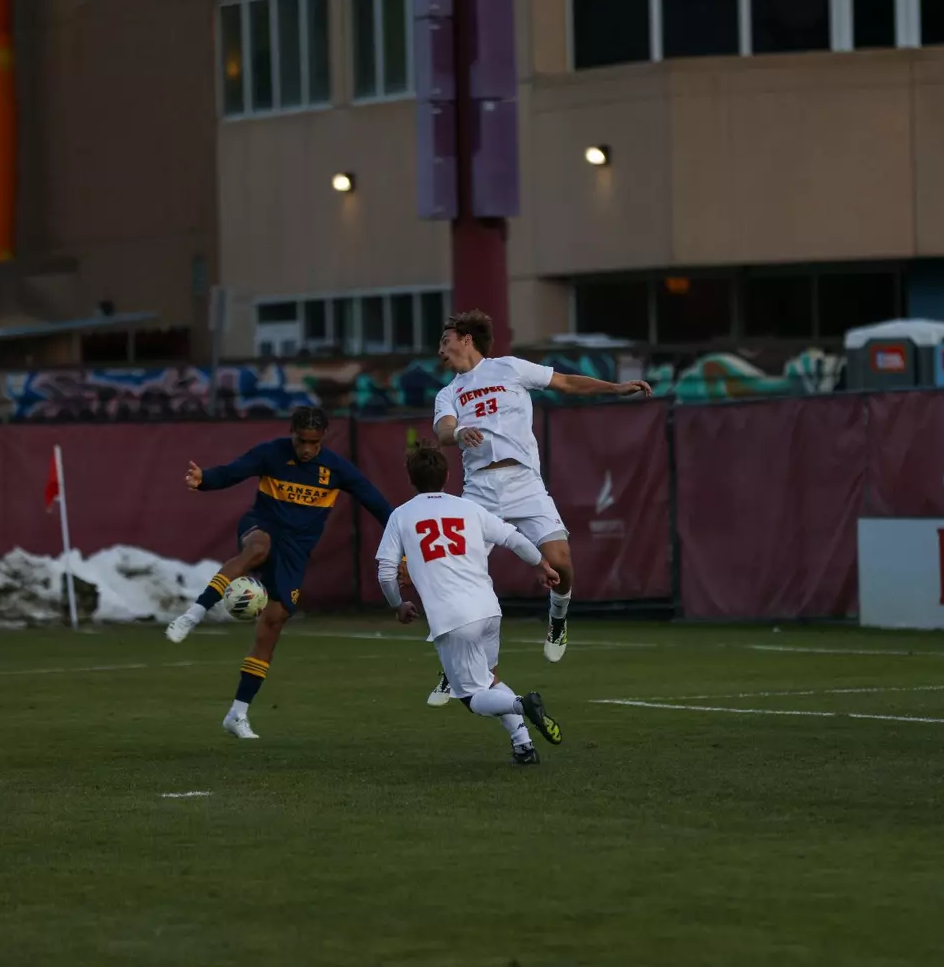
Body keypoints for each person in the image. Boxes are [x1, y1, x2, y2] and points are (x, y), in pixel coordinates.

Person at [424, 310, 652, 705]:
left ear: (465, 338)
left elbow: (564, 381)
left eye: (445, 340)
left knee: (561, 561)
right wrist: (459, 430)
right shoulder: (449, 393)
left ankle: (558, 618)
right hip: (479, 491)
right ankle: (453, 668)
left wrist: (614, 388)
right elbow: (442, 430)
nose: (441, 349)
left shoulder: (509, 368)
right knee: (458, 581)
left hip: (524, 483)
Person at [164, 406, 393, 739]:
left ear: (323, 438)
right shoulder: (271, 453)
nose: (306, 449)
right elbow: (232, 472)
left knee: (273, 622)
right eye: (301, 441)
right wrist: (204, 480)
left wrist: (402, 535)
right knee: (257, 548)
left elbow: (377, 504)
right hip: (262, 526)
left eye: (314, 443)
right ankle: (194, 613)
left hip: (295, 552)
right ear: (292, 433)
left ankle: (237, 714)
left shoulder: (336, 469)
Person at [378, 445, 564, 765]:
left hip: (453, 618)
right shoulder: (468, 508)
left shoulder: (401, 515)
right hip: (489, 610)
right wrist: (541, 564)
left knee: (472, 697)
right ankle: (524, 746)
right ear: (448, 476)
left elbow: (385, 573)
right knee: (489, 678)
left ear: (410, 480)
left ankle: (523, 705)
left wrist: (397, 604)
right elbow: (512, 537)